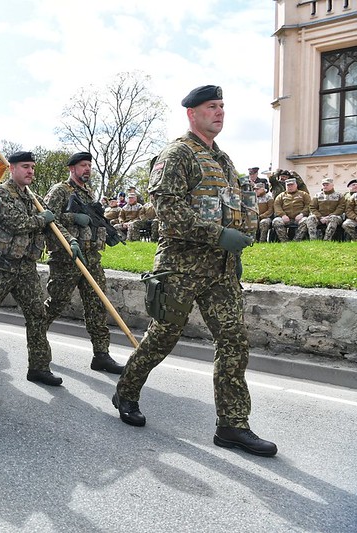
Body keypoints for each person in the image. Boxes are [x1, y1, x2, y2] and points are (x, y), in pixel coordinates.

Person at [112, 85, 276, 457]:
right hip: (180, 268)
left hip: (220, 270)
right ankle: (126, 391)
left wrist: (237, 242)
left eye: (222, 106)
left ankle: (232, 425)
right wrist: (218, 235)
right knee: (162, 337)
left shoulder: (224, 160)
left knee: (234, 341)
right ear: (192, 113)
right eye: (211, 107)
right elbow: (168, 211)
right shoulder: (178, 154)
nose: (219, 113)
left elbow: (235, 206)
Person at [0, 151, 79, 386]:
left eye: (32, 167)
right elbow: (16, 223)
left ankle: (39, 368)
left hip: (26, 268)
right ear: (12, 168)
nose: (30, 171)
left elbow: (54, 224)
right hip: (0, 267)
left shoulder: (34, 198)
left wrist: (70, 240)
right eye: (25, 166)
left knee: (37, 316)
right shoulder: (0, 193)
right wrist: (43, 219)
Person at [43, 152, 124, 374]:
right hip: (67, 258)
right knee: (57, 302)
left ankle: (101, 355)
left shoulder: (88, 193)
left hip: (91, 258)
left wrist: (106, 230)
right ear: (72, 169)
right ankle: (36, 338)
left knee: (97, 304)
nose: (87, 169)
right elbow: (48, 218)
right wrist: (73, 218)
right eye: (82, 165)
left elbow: (92, 221)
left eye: (89, 165)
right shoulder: (60, 190)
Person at [271, 178, 311, 242]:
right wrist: (282, 215)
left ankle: (296, 240)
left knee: (305, 221)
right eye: (288, 185)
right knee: (276, 221)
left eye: (292, 185)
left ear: (296, 185)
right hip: (285, 218)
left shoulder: (304, 194)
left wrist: (302, 214)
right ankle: (285, 241)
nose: (290, 187)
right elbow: (277, 206)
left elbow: (308, 205)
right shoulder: (281, 196)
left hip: (299, 218)